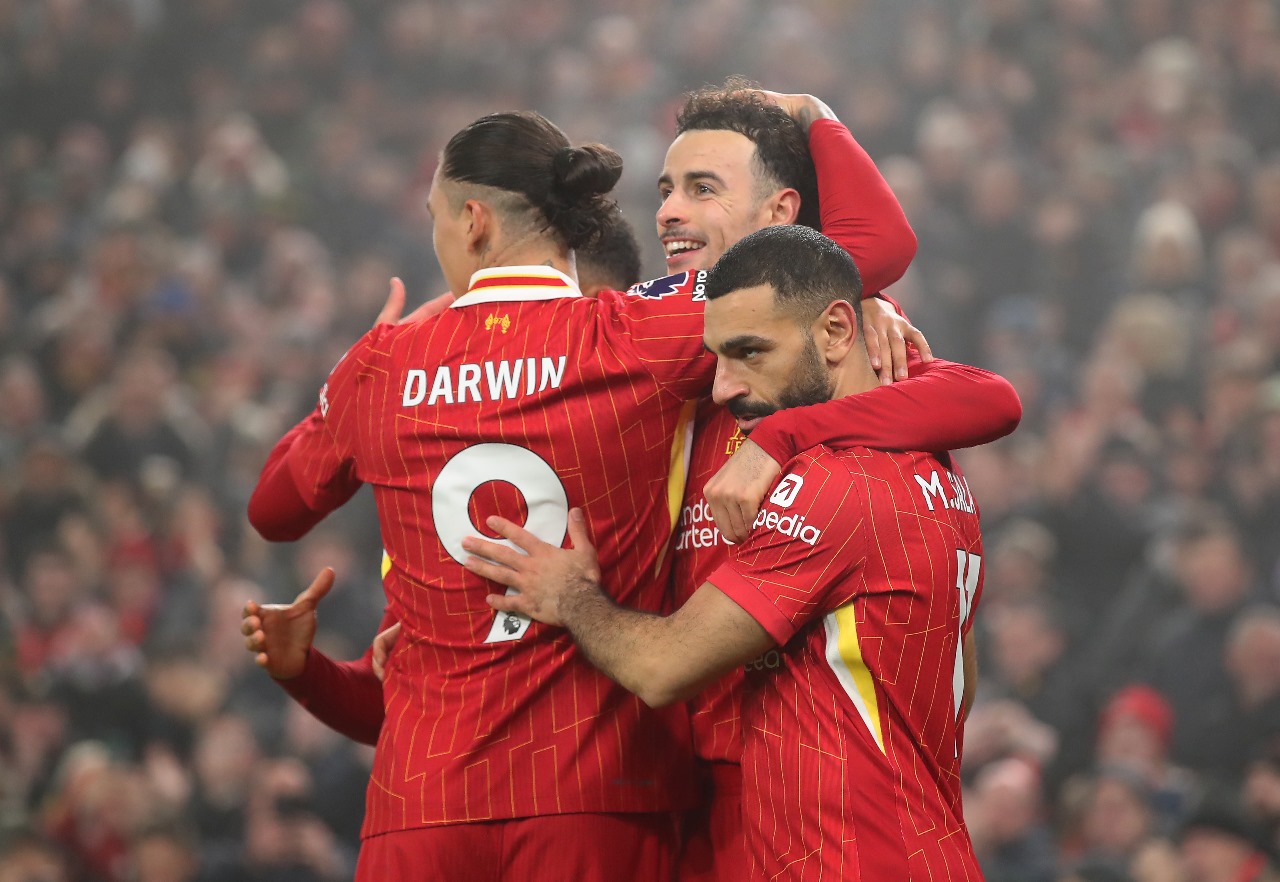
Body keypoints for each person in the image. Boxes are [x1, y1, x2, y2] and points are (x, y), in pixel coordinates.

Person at [245, 84, 1022, 880]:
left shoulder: (833, 349)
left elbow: (988, 396)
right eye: (665, 191)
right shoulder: (649, 334)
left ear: (785, 219)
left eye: (702, 189)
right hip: (666, 783)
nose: (670, 213)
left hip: (800, 784)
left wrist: (791, 428)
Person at [248, 109, 716, 880]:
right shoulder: (638, 335)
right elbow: (827, 279)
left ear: (472, 222)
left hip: (421, 803)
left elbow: (273, 509)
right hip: (596, 792)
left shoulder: (384, 366)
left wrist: (351, 370)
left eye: (434, 218)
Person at [462, 225, 988, 881]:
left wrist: (570, 594)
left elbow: (663, 668)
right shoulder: (936, 469)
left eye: (750, 353)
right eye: (717, 359)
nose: (723, 388)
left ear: (835, 332)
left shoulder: (833, 485)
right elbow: (959, 677)